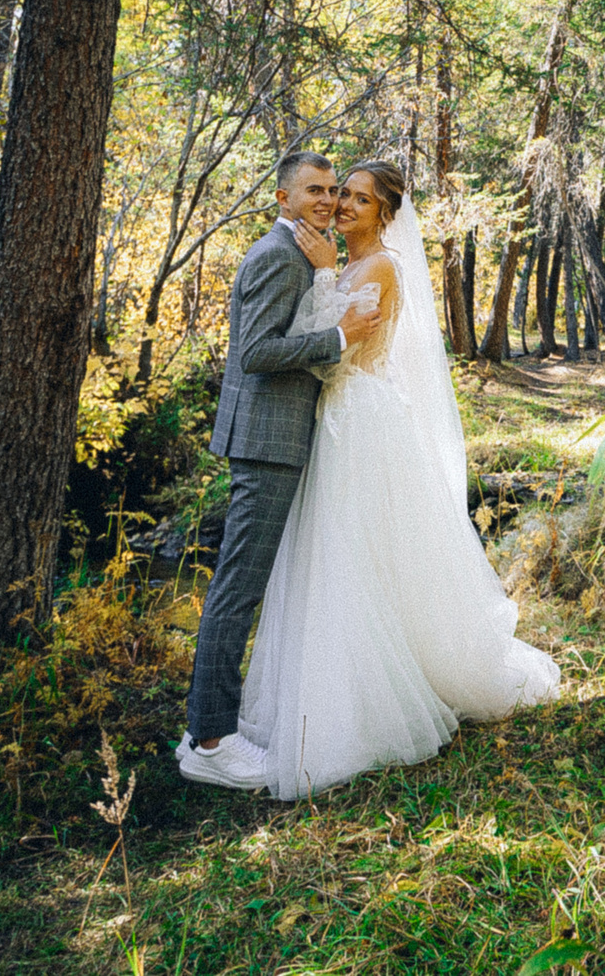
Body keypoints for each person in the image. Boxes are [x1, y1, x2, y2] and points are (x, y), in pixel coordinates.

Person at [226, 158, 560, 798]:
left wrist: (324, 277)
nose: (344, 206)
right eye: (339, 195)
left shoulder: (378, 267)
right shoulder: (340, 263)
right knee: (328, 562)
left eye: (358, 199)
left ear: (384, 214)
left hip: (358, 419)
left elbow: (341, 355)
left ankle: (365, 711)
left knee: (356, 560)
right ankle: (326, 691)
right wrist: (326, 275)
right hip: (331, 423)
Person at [176, 150, 379, 790]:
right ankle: (210, 743)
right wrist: (341, 337)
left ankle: (212, 727)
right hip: (265, 440)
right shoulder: (276, 254)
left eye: (332, 189)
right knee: (238, 588)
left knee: (246, 584)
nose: (326, 200)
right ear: (282, 199)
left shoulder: (304, 252)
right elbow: (257, 352)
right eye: (313, 190)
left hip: (281, 436)